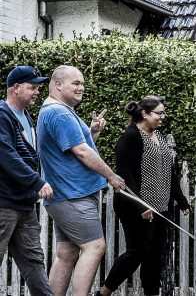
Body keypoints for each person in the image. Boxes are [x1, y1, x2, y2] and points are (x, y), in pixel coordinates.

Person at [37, 65, 125, 296]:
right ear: (58, 85)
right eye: (75, 83)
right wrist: (111, 176)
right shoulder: (59, 112)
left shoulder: (56, 110)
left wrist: (92, 132)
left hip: (66, 194)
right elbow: (82, 151)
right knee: (95, 247)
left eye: (82, 83)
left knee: (66, 253)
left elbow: (69, 146)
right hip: (73, 195)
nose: (81, 87)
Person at [97, 96, 190, 296]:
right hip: (135, 206)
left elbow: (169, 171)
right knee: (137, 252)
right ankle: (102, 293)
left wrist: (180, 199)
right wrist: (141, 205)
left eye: (163, 112)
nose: (162, 117)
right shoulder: (130, 137)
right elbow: (125, 174)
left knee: (154, 256)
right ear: (145, 114)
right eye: (159, 113)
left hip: (160, 206)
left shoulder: (161, 137)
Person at [0, 66, 55, 296]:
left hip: (24, 204)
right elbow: (6, 155)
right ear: (15, 88)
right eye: (32, 87)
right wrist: (37, 182)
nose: (36, 92)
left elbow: (32, 154)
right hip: (3, 204)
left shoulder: (26, 116)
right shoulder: (2, 115)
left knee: (34, 261)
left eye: (38, 88)